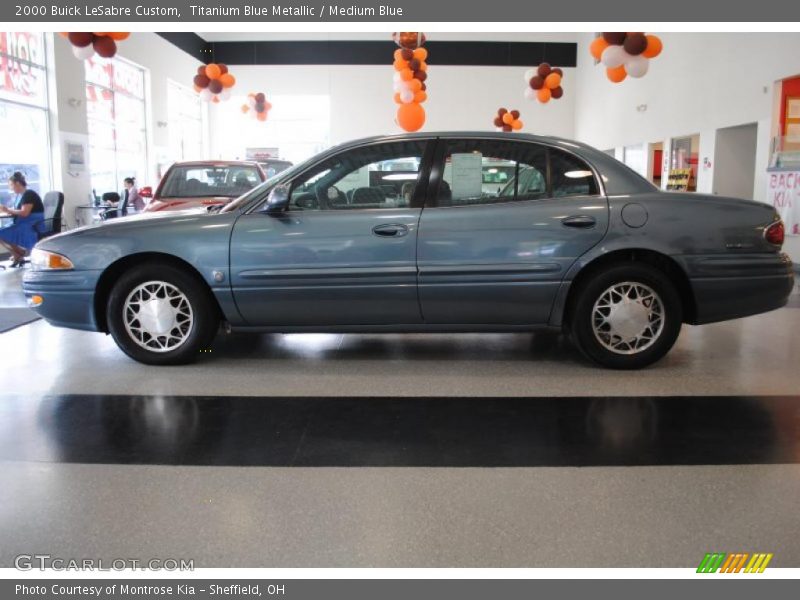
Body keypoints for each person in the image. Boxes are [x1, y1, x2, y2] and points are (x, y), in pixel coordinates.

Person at [0, 172, 45, 267]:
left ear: (17, 183)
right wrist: (8, 210)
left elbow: (25, 212)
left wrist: (9, 210)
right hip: (23, 222)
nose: (10, 188)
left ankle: (18, 254)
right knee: (3, 232)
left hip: (32, 223)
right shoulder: (19, 196)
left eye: (11, 185)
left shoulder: (29, 194)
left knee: (3, 233)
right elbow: (18, 210)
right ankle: (18, 253)